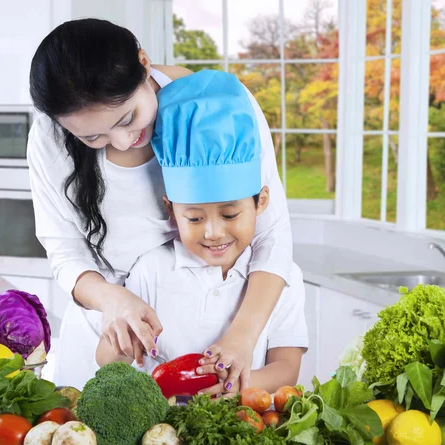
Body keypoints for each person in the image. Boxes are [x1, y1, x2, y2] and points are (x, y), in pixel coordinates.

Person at [27, 18, 294, 390]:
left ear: (144, 63)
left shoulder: (222, 107)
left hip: (222, 336)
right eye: (92, 136)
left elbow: (272, 234)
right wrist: (112, 301)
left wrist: (243, 337)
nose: (121, 141)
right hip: (107, 343)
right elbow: (64, 250)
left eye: (128, 118)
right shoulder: (51, 137)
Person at [96, 70, 308, 394]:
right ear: (171, 210)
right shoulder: (152, 270)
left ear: (261, 201)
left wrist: (233, 390)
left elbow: (287, 370)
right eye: (194, 219)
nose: (213, 232)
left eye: (230, 214)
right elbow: (107, 361)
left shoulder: (282, 277)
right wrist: (122, 340)